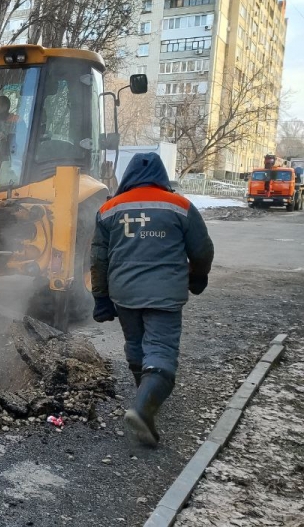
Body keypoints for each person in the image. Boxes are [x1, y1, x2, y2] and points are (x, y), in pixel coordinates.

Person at [90, 152, 214, 447]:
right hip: (165, 293)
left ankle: (143, 397)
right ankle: (145, 405)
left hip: (125, 293)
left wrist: (101, 298)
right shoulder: (181, 206)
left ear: (129, 176)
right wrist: (198, 276)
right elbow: (202, 249)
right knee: (161, 349)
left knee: (136, 345)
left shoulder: (109, 209)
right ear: (161, 175)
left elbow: (98, 260)